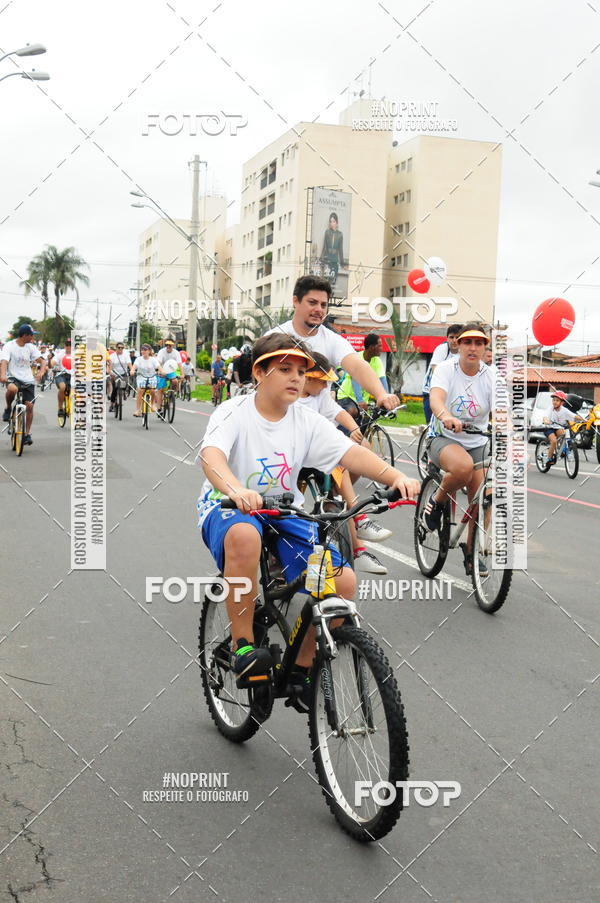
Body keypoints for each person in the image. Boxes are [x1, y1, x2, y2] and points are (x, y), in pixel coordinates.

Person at [197, 332, 420, 705]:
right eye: (285, 369)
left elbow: (350, 454)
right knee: (246, 538)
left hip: (284, 512)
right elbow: (211, 457)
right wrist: (235, 490)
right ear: (260, 372)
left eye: (302, 371)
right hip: (228, 506)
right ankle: (242, 648)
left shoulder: (305, 419)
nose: (296, 378)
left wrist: (396, 477)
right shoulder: (233, 411)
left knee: (343, 583)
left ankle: (300, 672)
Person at [298, 351, 391, 574]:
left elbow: (339, 413)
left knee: (341, 489)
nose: (325, 387)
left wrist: (355, 429)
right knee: (292, 511)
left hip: (319, 459)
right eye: (322, 382)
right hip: (293, 462)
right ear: (307, 378)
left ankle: (358, 544)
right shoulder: (290, 398)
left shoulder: (320, 396)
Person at [265, 275, 400, 411]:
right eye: (312, 302)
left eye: (323, 305)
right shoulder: (273, 338)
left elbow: (357, 367)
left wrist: (381, 394)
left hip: (319, 425)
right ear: (295, 301)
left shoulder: (333, 340)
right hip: (278, 421)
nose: (319, 310)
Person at [422, 323, 493, 576]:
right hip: (444, 437)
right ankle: (436, 500)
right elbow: (436, 398)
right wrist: (445, 415)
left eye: (479, 343)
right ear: (459, 345)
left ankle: (471, 550)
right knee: (462, 468)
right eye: (467, 342)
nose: (473, 348)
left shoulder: (490, 376)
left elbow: (505, 412)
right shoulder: (445, 369)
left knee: (483, 496)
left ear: (486, 347)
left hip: (478, 443)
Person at [0, 324, 45, 445]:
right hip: (12, 377)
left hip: (27, 379)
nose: (32, 338)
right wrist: (3, 375)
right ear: (25, 335)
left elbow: (42, 361)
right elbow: (4, 361)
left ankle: (26, 434)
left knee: (29, 406)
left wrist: (41, 371)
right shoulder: (9, 346)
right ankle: (8, 408)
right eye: (31, 335)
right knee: (13, 389)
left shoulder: (31, 347)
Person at [337, 332, 389, 413]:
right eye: (379, 346)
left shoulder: (377, 361)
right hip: (346, 397)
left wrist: (387, 399)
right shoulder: (356, 358)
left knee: (366, 422)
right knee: (352, 412)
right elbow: (355, 380)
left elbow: (382, 380)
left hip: (363, 401)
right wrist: (360, 400)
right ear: (371, 347)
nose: (381, 348)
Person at [421, 324, 462, 424]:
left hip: (452, 393)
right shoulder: (442, 349)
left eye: (457, 337)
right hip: (431, 390)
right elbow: (436, 372)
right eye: (451, 337)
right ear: (447, 338)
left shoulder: (464, 352)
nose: (454, 340)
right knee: (432, 422)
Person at [541, 390, 575, 464]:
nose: (554, 402)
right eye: (554, 400)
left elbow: (573, 416)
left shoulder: (564, 410)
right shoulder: (551, 408)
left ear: (562, 402)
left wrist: (584, 420)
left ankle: (563, 450)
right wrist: (546, 420)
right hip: (548, 427)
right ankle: (549, 458)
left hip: (557, 427)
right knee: (554, 441)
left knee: (564, 434)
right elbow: (545, 416)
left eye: (557, 400)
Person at [130, 344, 159, 416]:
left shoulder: (153, 360)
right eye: (142, 350)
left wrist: (162, 371)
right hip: (141, 377)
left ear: (149, 351)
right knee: (140, 390)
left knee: (152, 390)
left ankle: (152, 404)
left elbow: (158, 367)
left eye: (145, 350)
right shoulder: (138, 359)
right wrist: (132, 370)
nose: (143, 351)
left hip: (152, 377)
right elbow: (134, 366)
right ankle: (138, 410)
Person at [155, 338, 182, 410]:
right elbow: (158, 363)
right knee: (160, 389)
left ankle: (173, 393)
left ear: (173, 346)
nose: (168, 346)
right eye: (167, 345)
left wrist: (182, 374)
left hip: (171, 371)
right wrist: (159, 371)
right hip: (162, 370)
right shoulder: (161, 352)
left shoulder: (176, 353)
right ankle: (159, 408)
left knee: (175, 381)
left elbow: (179, 364)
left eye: (170, 345)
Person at [320, 212, 344, 286]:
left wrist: (342, 263)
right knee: (326, 283)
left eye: (333, 221)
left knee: (333, 283)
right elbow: (324, 246)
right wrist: (322, 259)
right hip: (327, 260)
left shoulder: (340, 234)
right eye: (330, 221)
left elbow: (340, 249)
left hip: (335, 261)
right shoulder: (327, 232)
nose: (332, 223)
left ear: (337, 222)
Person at [108, 342, 131, 411]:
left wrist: (132, 370)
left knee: (127, 384)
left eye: (122, 348)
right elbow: (110, 366)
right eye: (119, 347)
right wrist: (111, 373)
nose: (120, 349)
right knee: (114, 389)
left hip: (124, 373)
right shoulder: (112, 356)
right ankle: (112, 404)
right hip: (115, 374)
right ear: (116, 348)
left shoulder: (126, 355)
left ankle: (124, 393)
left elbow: (129, 364)